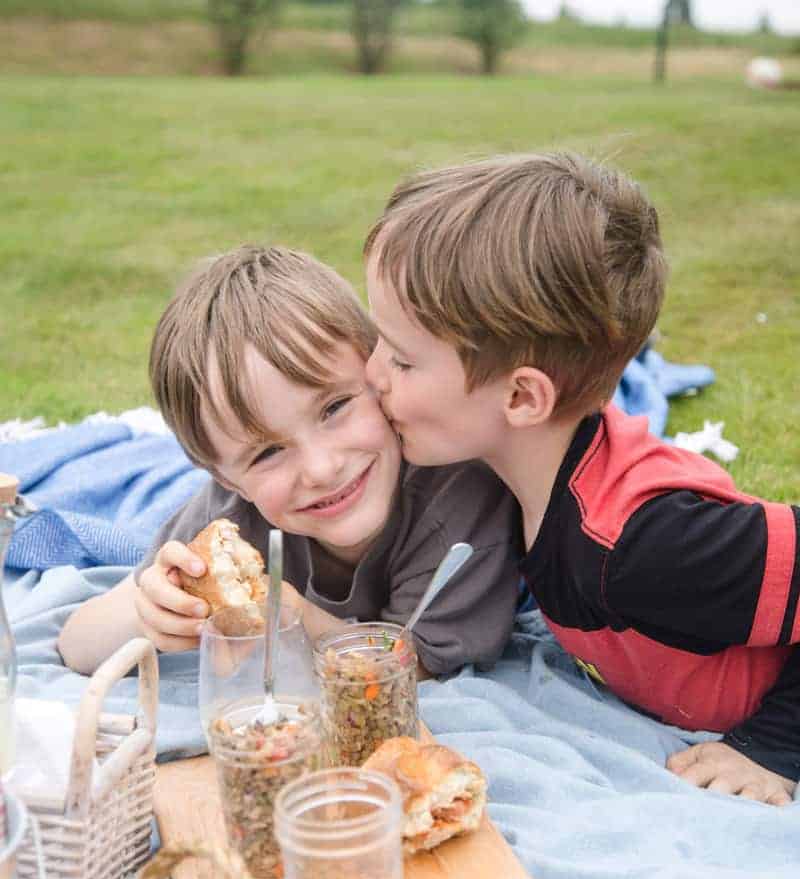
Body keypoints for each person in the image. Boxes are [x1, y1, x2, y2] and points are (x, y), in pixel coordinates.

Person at [363, 151, 800, 806]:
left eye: (400, 359)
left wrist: (775, 744)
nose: (372, 374)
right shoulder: (502, 478)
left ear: (522, 399)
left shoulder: (640, 541)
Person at [58, 244, 521, 679]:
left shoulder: (458, 499)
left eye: (334, 408)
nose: (321, 468)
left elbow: (405, 673)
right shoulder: (229, 521)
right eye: (268, 452)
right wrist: (151, 612)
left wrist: (292, 617)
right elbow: (76, 643)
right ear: (226, 478)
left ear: (379, 374)